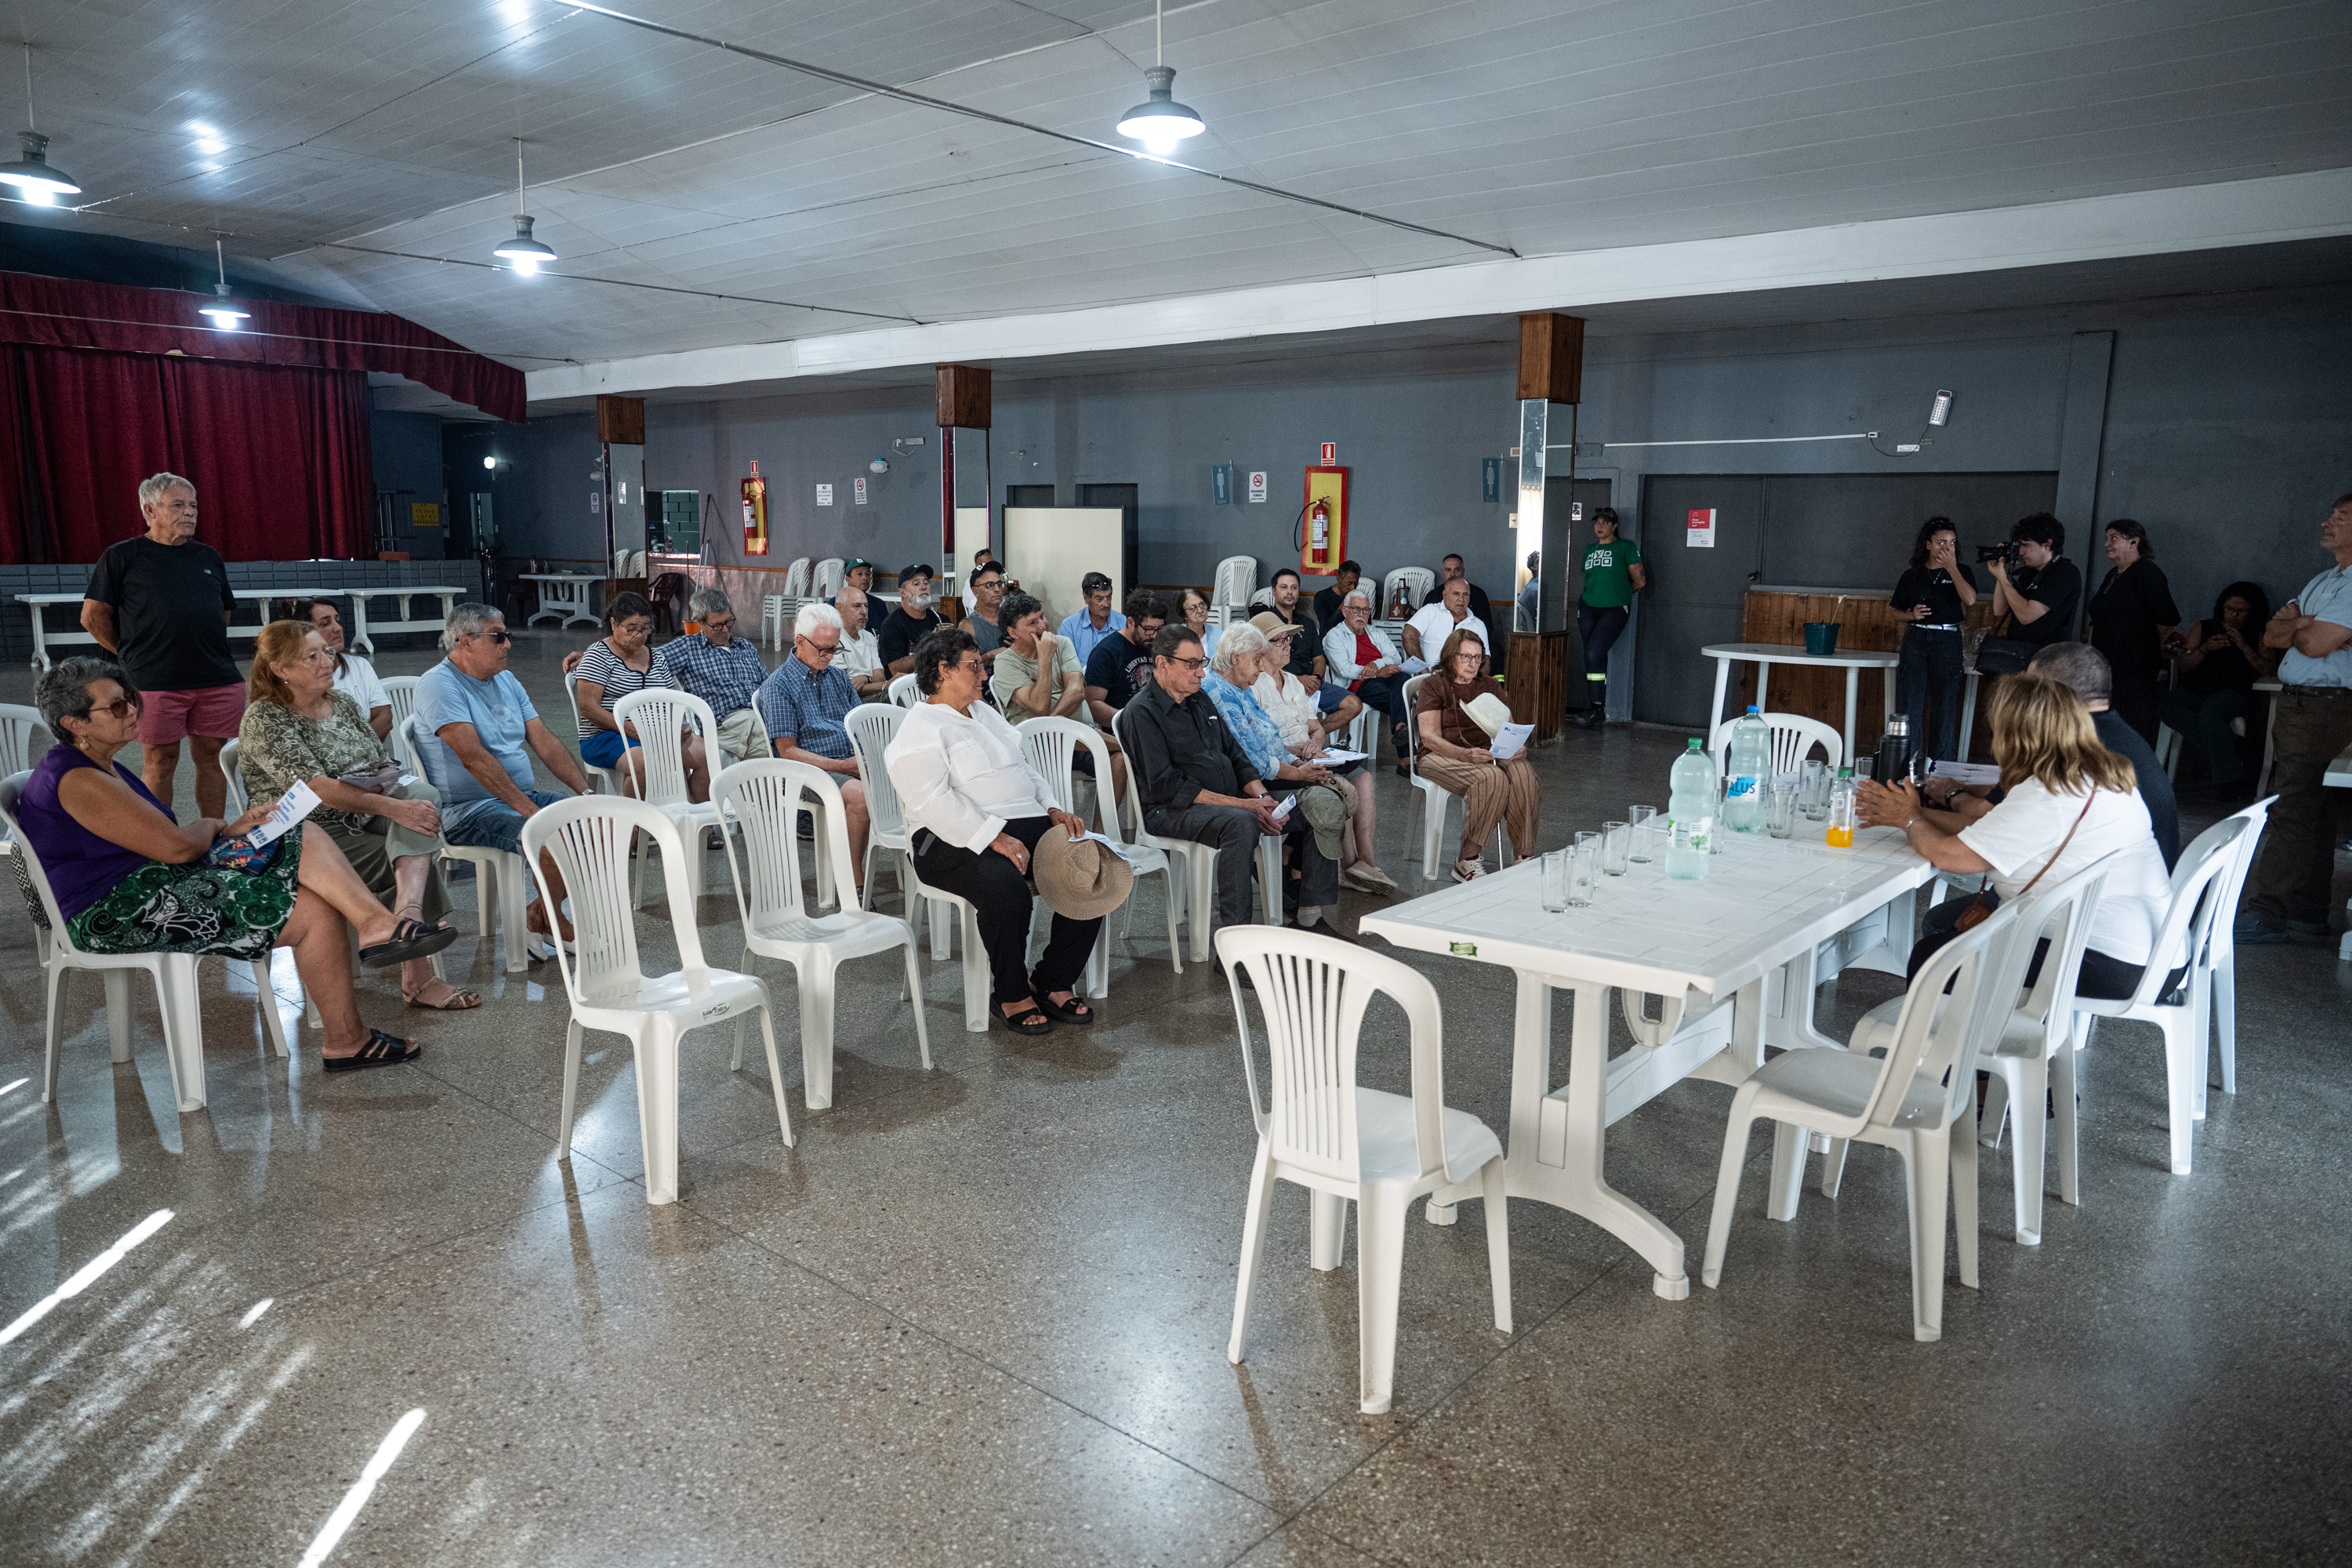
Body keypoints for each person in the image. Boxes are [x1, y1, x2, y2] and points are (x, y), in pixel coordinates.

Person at [21, 655, 449, 1069]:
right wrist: (214, 824)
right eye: (117, 706)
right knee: (312, 909)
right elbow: (176, 848)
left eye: (131, 698)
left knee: (297, 832)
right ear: (75, 724)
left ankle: (373, 939)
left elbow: (164, 843)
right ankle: (349, 1031)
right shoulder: (78, 779)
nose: (132, 710)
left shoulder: (100, 765)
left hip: (153, 883)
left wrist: (224, 832)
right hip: (115, 913)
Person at [1854, 673, 2179, 1000]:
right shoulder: (2089, 776)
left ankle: (1949, 1034)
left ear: (2014, 736)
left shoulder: (2049, 794)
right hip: (2150, 952)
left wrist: (1908, 818)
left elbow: (1950, 856)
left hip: (2111, 962)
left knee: (1934, 959)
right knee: (1944, 932)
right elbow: (1992, 829)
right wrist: (1906, 812)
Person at [238, 621, 474, 1010]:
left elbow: (379, 759)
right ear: (280, 669)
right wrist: (392, 806)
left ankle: (407, 913)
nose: (327, 662)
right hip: (303, 835)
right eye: (311, 656)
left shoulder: (343, 703)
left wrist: (385, 783)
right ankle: (418, 976)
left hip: (360, 813)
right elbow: (317, 789)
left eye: (328, 652)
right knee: (406, 847)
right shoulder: (266, 718)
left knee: (423, 800)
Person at [886, 627, 1100, 1034]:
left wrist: (1053, 808)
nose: (984, 674)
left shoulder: (984, 713)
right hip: (948, 839)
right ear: (945, 670)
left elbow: (1025, 767)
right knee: (1005, 888)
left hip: (1022, 823)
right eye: (974, 666)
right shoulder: (920, 728)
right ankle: (1011, 992)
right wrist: (993, 837)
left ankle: (1052, 980)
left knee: (1089, 868)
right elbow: (932, 802)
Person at [1125, 623, 1339, 954]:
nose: (1201, 672)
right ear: (1162, 663)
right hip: (1171, 810)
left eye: (1201, 662)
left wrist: (1262, 797)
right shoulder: (1142, 712)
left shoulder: (1199, 700)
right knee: (1241, 824)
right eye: (1191, 664)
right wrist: (1245, 806)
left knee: (1319, 802)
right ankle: (1235, 949)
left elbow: (1236, 756)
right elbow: (1169, 786)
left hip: (1227, 800)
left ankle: (1308, 917)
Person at [414, 603, 590, 952]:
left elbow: (544, 741)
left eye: (506, 635)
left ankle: (537, 915)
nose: (508, 643)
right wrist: (532, 813)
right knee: (547, 836)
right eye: (498, 637)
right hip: (468, 809)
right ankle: (557, 922)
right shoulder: (438, 685)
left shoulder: (506, 680)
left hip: (518, 797)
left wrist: (585, 793)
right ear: (465, 641)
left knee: (594, 825)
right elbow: (473, 758)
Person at [79, 472, 244, 818]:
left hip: (216, 677)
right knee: (160, 759)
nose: (190, 512)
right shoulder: (123, 556)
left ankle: (213, 832)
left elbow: (223, 611)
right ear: (150, 510)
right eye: (179, 505)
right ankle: (162, 838)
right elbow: (93, 616)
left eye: (193, 505)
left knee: (213, 757)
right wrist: (128, 654)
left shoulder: (208, 557)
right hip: (154, 679)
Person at [2238, 492, 2352, 946]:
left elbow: (2316, 644)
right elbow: (2271, 634)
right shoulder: (2325, 579)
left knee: (2291, 806)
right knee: (2313, 810)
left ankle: (2267, 911)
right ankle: (2307, 909)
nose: (2327, 522)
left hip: (2328, 705)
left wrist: (2303, 626)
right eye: (2331, 514)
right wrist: (2304, 624)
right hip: (2301, 703)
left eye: (2341, 517)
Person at [1204, 625, 1352, 926]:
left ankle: (1302, 902)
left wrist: (1299, 764)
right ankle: (1304, 910)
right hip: (1238, 791)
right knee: (1324, 803)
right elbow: (1251, 759)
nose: (1261, 667)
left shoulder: (1240, 689)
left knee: (1332, 795)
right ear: (1235, 658)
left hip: (1258, 780)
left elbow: (1269, 742)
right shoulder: (1218, 694)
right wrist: (1298, 774)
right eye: (1256, 660)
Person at [1247, 612, 1389, 890]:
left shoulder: (1293, 681)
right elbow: (1256, 746)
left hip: (1309, 756)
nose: (1288, 645)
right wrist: (1299, 751)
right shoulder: (1253, 684)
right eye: (1279, 640)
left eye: (1288, 639)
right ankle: (1348, 866)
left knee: (1364, 778)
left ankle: (1369, 863)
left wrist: (1315, 742)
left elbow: (1316, 727)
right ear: (1260, 647)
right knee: (1340, 785)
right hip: (1283, 763)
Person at [755, 602, 870, 901]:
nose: (829, 656)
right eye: (824, 649)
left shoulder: (838, 677)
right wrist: (843, 766)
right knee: (858, 795)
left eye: (835, 649)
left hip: (848, 762)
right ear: (800, 642)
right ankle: (853, 882)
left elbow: (861, 726)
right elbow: (788, 752)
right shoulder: (779, 686)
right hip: (807, 771)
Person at [2027, 642, 2178, 869]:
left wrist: (1962, 794)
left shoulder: (2074, 742)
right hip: (2147, 875)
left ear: (2056, 693)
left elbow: (1994, 813)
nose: (2025, 700)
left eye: (2030, 689)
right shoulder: (2119, 734)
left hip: (2108, 882)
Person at [1414, 628, 1541, 881]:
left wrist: (1516, 746)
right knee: (1491, 779)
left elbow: (1508, 727)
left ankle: (1524, 856)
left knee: (1523, 774)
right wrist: (1464, 755)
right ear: (1451, 656)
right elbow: (1429, 737)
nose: (1473, 663)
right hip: (1439, 755)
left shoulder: (1490, 685)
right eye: (1466, 657)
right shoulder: (1434, 684)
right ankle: (1467, 860)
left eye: (1478, 657)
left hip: (1484, 752)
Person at [572, 592, 710, 803]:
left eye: (645, 628)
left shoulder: (657, 657)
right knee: (646, 763)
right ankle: (635, 822)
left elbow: (671, 700)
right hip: (606, 735)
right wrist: (626, 727)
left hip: (655, 732)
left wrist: (680, 726)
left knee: (706, 754)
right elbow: (588, 708)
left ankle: (701, 818)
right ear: (614, 624)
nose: (639, 635)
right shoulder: (598, 655)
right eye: (632, 628)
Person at [2158, 580, 2274, 802]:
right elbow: (2184, 665)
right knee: (2168, 705)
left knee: (2211, 712)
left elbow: (2267, 669)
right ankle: (2233, 753)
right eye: (2229, 609)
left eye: (2241, 611)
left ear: (2252, 611)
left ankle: (2229, 779)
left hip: (2233, 693)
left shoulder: (2258, 632)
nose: (2234, 615)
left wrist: (2243, 645)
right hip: (2196, 689)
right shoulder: (2204, 627)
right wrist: (2205, 649)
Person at [1889, 517, 1979, 760]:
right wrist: (1910, 615)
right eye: (1942, 543)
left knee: (1944, 705)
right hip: (1916, 638)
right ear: (1928, 545)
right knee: (1910, 704)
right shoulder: (1912, 575)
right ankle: (1907, 765)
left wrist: (1952, 568)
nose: (1948, 548)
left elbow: (1970, 600)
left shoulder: (1962, 571)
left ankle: (1941, 769)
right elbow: (1893, 611)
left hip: (1947, 639)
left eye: (1952, 543)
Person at [2085, 518, 2180, 742]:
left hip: (2133, 667)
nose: (2107, 544)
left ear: (2134, 542)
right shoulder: (2113, 575)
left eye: (2114, 538)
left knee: (2129, 723)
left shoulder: (2147, 573)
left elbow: (2168, 619)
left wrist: (2144, 647)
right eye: (2106, 538)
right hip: (2106, 663)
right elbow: (2098, 618)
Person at [654, 588, 771, 765]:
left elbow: (769, 686)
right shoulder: (688, 647)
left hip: (760, 715)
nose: (725, 629)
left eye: (729, 621)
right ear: (700, 621)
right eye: (717, 625)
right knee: (779, 747)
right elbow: (648, 664)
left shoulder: (745, 647)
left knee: (798, 735)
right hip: (725, 724)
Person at [1322, 589, 1412, 772]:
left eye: (1365, 610)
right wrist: (1376, 673)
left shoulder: (1375, 633)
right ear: (1345, 611)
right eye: (1356, 609)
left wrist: (1376, 664)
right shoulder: (1334, 635)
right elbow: (1344, 669)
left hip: (1386, 677)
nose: (1361, 614)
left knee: (1403, 679)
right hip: (1358, 685)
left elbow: (1395, 657)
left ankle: (1400, 728)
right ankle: (1405, 757)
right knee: (1407, 701)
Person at [1574, 507, 1645, 728]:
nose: (1600, 526)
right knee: (1592, 656)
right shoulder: (1589, 550)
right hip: (1588, 607)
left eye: (1605, 522)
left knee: (1594, 652)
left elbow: (1640, 581)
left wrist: (1620, 594)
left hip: (1614, 609)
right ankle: (1596, 710)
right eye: (1597, 522)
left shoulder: (1625, 547)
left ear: (1614, 526)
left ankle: (1597, 710)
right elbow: (1590, 578)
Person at [289, 599, 390, 739]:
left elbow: (384, 717)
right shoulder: (297, 676)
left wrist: (359, 747)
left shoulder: (360, 665)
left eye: (337, 620)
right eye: (326, 623)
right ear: (305, 633)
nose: (338, 628)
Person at [1988, 512, 2082, 655]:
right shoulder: (2030, 572)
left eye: (2026, 545)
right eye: (2020, 545)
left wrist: (2002, 578)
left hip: (2047, 656)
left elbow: (2027, 616)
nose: (2021, 551)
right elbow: (1999, 610)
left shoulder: (2065, 572)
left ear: (2047, 545)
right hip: (2018, 653)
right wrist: (2001, 573)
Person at [1083, 590, 1164, 725]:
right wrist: (1130, 720)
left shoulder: (1157, 645)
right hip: (1125, 725)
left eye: (1159, 629)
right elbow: (1093, 705)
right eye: (1149, 629)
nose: (1154, 635)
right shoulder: (1105, 653)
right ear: (1131, 622)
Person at [1422, 554, 1503, 673]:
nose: (1452, 574)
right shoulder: (1432, 597)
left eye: (1457, 570)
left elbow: (1487, 628)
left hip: (1471, 644)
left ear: (1463, 572)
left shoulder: (1478, 594)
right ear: (1442, 573)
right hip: (1439, 645)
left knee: (1495, 651)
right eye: (1448, 570)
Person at [1264, 568, 1328, 706]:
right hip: (1280, 685)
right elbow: (1263, 663)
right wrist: (1298, 680)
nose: (1290, 592)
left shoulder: (1308, 623)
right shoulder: (1265, 623)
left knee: (1352, 704)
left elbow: (1319, 658)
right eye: (1284, 587)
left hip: (1312, 685)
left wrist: (1316, 679)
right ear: (1274, 591)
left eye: (1294, 588)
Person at [1402, 577, 1491, 670]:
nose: (1461, 599)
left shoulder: (1478, 625)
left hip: (1463, 678)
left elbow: (1485, 661)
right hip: (1428, 675)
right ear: (1445, 595)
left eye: (1465, 594)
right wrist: (1424, 672)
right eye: (1456, 594)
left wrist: (1477, 679)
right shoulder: (1430, 611)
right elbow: (1408, 635)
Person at [877, 564, 943, 674]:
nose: (923, 587)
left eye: (926, 583)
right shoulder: (891, 625)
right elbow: (896, 670)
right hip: (908, 683)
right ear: (903, 592)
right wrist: (930, 648)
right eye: (916, 584)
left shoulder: (941, 620)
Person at [832, 583, 890, 701]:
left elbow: (880, 677)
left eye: (866, 606)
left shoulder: (869, 637)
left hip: (872, 696)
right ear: (839, 608)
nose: (864, 611)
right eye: (857, 606)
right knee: (898, 696)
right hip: (850, 701)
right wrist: (886, 686)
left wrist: (866, 678)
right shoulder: (833, 638)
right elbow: (845, 687)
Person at [1057, 572, 1126, 666]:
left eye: (1109, 597)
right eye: (1100, 599)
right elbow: (1065, 666)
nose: (1106, 604)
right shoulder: (1070, 626)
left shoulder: (1124, 623)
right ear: (1086, 598)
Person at [963, 560, 1009, 665]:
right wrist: (989, 656)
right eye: (989, 585)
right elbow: (966, 666)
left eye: (999, 584)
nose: (997, 589)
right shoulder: (969, 626)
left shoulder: (1011, 617)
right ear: (975, 591)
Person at [1312, 561, 1363, 636]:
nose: (1353, 588)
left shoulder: (1359, 598)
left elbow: (1366, 627)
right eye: (1349, 583)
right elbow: (1327, 629)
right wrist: (1346, 602)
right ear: (1338, 579)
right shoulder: (1321, 597)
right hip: (1329, 640)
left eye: (1356, 584)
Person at [844, 558, 892, 636]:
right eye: (859, 574)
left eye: (868, 574)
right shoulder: (837, 603)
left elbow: (888, 630)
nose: (865, 578)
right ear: (848, 579)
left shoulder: (879, 603)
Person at [1178, 586, 1222, 663]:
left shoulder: (1218, 634)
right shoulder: (1177, 637)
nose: (1200, 610)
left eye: (1202, 605)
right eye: (1193, 608)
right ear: (1185, 615)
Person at [1517, 550, 1541, 633]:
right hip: (1535, 631)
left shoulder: (1530, 586)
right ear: (1537, 567)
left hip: (1526, 629)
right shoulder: (1536, 589)